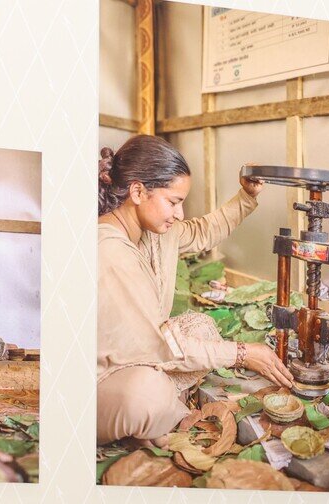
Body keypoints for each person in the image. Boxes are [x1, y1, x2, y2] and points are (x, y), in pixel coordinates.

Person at [95, 134, 295, 446]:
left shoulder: (154, 231)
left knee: (201, 327)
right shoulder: (109, 252)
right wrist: (242, 354)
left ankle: (155, 417)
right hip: (100, 380)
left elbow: (203, 231)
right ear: (137, 191)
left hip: (142, 352)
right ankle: (156, 419)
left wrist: (246, 196)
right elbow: (160, 344)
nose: (180, 213)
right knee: (148, 393)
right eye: (173, 202)